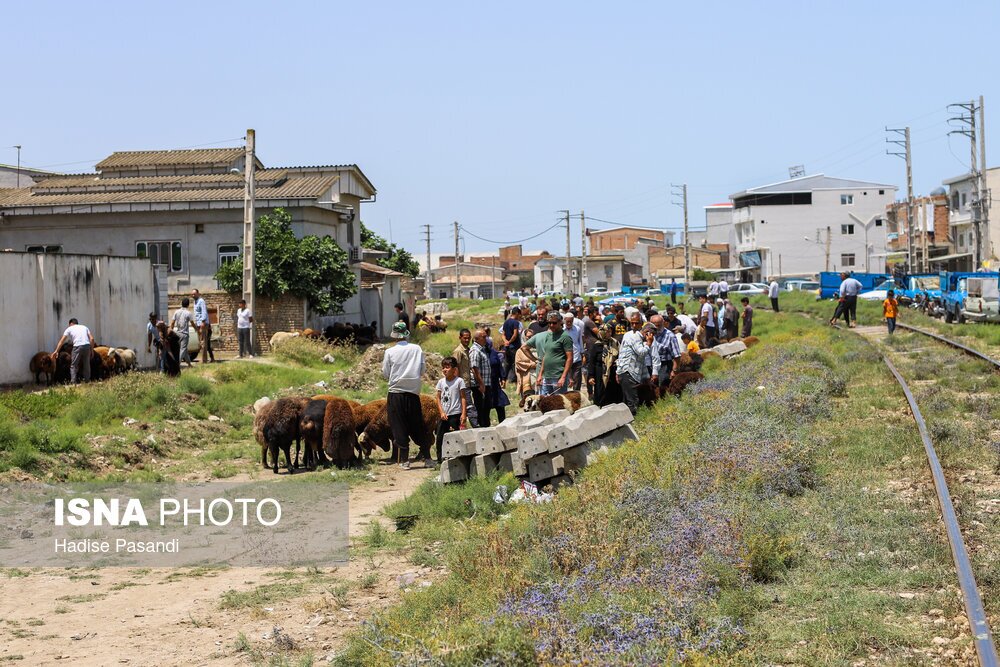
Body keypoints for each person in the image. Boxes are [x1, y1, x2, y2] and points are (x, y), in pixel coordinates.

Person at [381, 321, 426, 469]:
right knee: (417, 423)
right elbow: (422, 370)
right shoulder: (417, 349)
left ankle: (405, 460)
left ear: (394, 335)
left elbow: (386, 373)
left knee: (398, 425)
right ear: (406, 333)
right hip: (413, 392)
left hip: (396, 393)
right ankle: (427, 455)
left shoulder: (390, 352)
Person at [531, 311, 574, 396]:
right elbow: (545, 356)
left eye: (554, 323)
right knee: (544, 402)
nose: (551, 325)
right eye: (549, 323)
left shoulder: (565, 337)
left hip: (558, 376)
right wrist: (540, 375)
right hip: (546, 376)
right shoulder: (549, 336)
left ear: (560, 322)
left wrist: (563, 377)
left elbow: (569, 358)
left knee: (558, 404)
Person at [434, 357, 467, 464]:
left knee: (456, 437)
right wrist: (441, 412)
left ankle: (458, 458)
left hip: (455, 414)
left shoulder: (459, 381)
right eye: (443, 367)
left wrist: (463, 413)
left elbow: (463, 397)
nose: (445, 370)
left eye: (447, 367)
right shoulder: (441, 382)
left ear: (454, 369)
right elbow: (438, 398)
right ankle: (440, 460)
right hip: (444, 415)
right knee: (440, 438)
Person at [616, 313, 649, 415]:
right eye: (632, 323)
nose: (634, 326)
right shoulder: (634, 336)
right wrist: (649, 344)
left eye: (636, 323)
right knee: (632, 402)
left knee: (627, 400)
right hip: (629, 372)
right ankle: (632, 426)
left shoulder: (628, 335)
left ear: (641, 324)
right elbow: (641, 352)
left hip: (626, 372)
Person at [51, 317, 95, 384]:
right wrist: (91, 350)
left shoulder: (69, 328)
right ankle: (87, 381)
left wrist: (56, 351)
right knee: (86, 364)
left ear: (71, 324)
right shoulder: (84, 327)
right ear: (77, 323)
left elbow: (62, 341)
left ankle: (73, 383)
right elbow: (92, 339)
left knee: (74, 365)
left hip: (77, 346)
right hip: (87, 346)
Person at [452, 328, 479, 428]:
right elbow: (455, 368)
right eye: (465, 338)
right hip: (462, 384)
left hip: (469, 383)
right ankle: (475, 426)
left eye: (468, 338)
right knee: (469, 406)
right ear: (460, 338)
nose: (467, 340)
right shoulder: (458, 351)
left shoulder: (468, 350)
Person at [650, 314, 682, 394]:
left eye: (659, 325)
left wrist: (674, 370)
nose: (657, 327)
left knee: (662, 389)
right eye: (655, 326)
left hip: (664, 366)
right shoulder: (649, 334)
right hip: (651, 365)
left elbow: (677, 356)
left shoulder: (670, 336)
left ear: (663, 323)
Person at [468, 329, 492, 427]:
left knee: (486, 407)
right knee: (481, 408)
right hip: (479, 385)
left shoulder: (482, 349)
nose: (486, 339)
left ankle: (486, 426)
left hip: (485, 383)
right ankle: (482, 427)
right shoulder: (475, 350)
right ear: (477, 338)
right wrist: (481, 384)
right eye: (484, 337)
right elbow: (475, 368)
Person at [515, 328, 538, 408]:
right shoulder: (520, 350)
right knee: (529, 398)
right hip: (526, 375)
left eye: (532, 336)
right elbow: (518, 363)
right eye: (528, 337)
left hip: (538, 374)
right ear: (524, 337)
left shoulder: (538, 347)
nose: (530, 338)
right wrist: (531, 365)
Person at [562, 311, 584, 391]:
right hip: (565, 357)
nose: (569, 323)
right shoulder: (561, 329)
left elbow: (580, 341)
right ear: (564, 320)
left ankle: (577, 394)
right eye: (567, 321)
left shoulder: (577, 329)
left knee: (577, 378)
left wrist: (582, 353)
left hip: (576, 356)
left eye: (571, 321)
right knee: (567, 378)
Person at [501, 307, 523, 382]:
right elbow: (515, 334)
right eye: (519, 315)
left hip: (507, 347)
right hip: (514, 346)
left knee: (507, 363)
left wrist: (506, 342)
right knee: (515, 363)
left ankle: (504, 378)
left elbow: (503, 334)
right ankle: (513, 379)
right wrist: (510, 342)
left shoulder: (506, 322)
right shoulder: (516, 322)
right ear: (517, 313)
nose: (520, 317)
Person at [170, 299, 194, 367]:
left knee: (185, 350)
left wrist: (171, 331)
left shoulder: (176, 312)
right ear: (188, 305)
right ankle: (177, 364)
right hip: (184, 334)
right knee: (182, 350)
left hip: (177, 333)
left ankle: (189, 364)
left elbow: (172, 322)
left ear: (181, 304)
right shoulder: (188, 313)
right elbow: (192, 323)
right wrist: (197, 329)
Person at [192, 289, 210, 363]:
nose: (193, 295)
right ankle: (203, 358)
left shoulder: (201, 301)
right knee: (201, 342)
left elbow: (204, 312)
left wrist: (203, 322)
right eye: (192, 294)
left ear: (198, 294)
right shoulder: (195, 302)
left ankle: (204, 360)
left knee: (203, 341)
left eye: (194, 294)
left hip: (203, 324)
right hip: (198, 324)